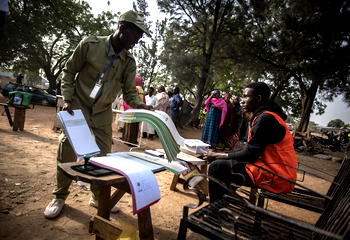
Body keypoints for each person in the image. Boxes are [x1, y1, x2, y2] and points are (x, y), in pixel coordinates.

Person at [44, 10, 153, 219]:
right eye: (136, 35)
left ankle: (97, 196)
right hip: (79, 105)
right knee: (67, 146)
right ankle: (59, 196)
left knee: (103, 155)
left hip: (103, 110)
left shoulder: (129, 62)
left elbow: (129, 93)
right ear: (123, 28)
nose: (137, 41)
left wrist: (142, 105)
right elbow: (68, 71)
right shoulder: (90, 45)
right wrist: (67, 99)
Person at [206, 82, 297, 203]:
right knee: (228, 164)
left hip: (276, 175)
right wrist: (222, 154)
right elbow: (252, 150)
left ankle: (216, 213)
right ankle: (225, 203)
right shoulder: (268, 115)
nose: (242, 100)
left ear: (258, 98)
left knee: (216, 167)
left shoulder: (265, 119)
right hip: (277, 170)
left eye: (245, 96)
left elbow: (250, 154)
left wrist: (217, 155)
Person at [121, 75, 145, 145]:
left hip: (130, 109)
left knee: (128, 125)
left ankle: (126, 139)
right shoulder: (141, 90)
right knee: (135, 126)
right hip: (137, 110)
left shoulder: (134, 88)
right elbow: (144, 101)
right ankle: (132, 140)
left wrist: (125, 106)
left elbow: (128, 98)